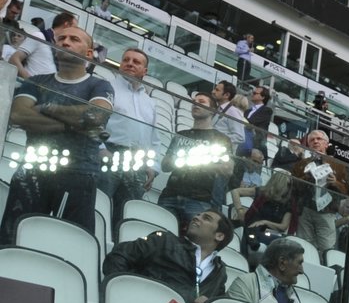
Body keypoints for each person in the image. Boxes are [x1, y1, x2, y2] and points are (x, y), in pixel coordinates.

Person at [2, 23, 113, 236]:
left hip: (79, 175)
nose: (65, 42)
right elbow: (18, 115)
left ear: (89, 53)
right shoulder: (36, 81)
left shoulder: (100, 86)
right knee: (14, 236)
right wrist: (71, 124)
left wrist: (46, 107)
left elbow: (96, 116)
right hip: (32, 171)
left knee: (69, 242)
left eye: (74, 39)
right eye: (62, 39)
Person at [103, 208, 233, 303]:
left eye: (206, 218)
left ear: (219, 236)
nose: (196, 217)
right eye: (198, 215)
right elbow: (119, 256)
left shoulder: (220, 273)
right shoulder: (163, 240)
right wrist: (124, 295)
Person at [100, 47, 164, 224]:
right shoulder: (106, 88)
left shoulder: (150, 102)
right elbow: (95, 122)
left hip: (138, 163)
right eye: (126, 60)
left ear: (145, 71)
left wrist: (153, 166)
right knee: (98, 208)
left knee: (127, 217)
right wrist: (102, 150)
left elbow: (154, 139)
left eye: (136, 62)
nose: (129, 63)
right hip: (110, 155)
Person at [158, 94, 239, 227]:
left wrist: (188, 160)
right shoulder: (182, 134)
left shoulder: (221, 139)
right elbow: (165, 165)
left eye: (201, 102)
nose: (195, 104)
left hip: (200, 199)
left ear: (213, 110)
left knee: (196, 240)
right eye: (194, 101)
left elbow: (227, 170)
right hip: (171, 194)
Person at [289, 129, 349, 256]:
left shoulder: (338, 166)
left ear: (326, 144)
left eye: (319, 139)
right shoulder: (301, 165)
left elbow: (347, 191)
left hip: (327, 212)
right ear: (308, 145)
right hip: (305, 211)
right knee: (304, 247)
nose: (315, 141)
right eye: (312, 140)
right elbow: (293, 186)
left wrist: (336, 183)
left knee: (327, 249)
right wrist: (306, 178)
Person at [227, 236, 305, 303]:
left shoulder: (290, 295)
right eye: (299, 263)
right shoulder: (244, 285)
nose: (302, 271)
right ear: (282, 263)